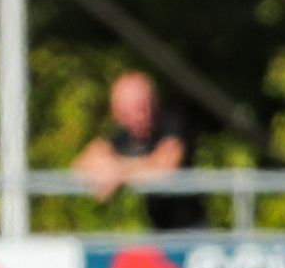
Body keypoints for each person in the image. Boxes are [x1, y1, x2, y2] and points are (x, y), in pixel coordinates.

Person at [72, 70, 206, 230]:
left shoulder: (173, 122)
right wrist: (119, 170)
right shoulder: (123, 134)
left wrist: (118, 171)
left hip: (191, 232)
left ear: (154, 102)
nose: (140, 116)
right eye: (129, 111)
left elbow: (164, 169)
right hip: (157, 232)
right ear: (117, 113)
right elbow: (81, 165)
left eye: (143, 106)